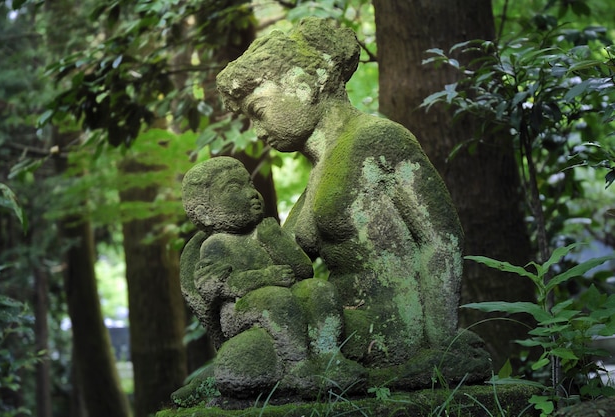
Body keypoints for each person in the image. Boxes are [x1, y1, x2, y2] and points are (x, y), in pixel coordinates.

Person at [216, 17, 466, 369]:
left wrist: (440, 345)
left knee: (256, 355)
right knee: (248, 344)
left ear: (304, 83)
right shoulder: (321, 171)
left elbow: (441, 240)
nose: (257, 131)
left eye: (258, 111)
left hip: (389, 326)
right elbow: (285, 259)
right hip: (334, 319)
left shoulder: (377, 141)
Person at [178, 156, 365, 399]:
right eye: (235, 188)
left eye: (250, 184)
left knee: (318, 289)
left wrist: (274, 240)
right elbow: (215, 287)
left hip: (283, 296)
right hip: (240, 311)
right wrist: (265, 276)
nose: (251, 193)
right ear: (206, 214)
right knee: (277, 299)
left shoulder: (265, 232)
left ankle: (328, 355)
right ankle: (298, 366)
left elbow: (302, 271)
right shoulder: (216, 244)